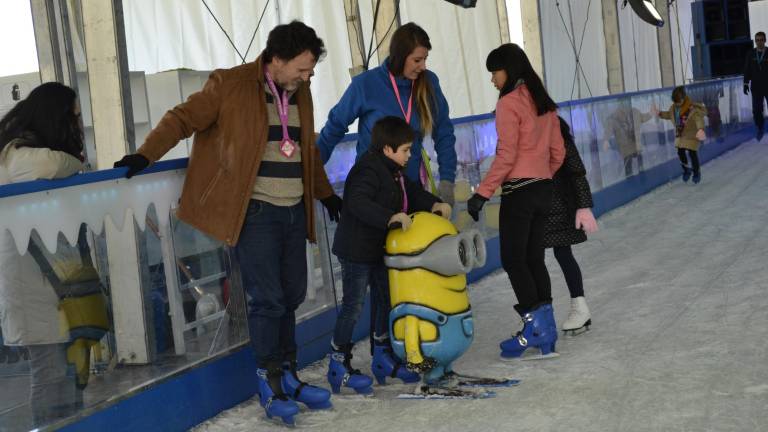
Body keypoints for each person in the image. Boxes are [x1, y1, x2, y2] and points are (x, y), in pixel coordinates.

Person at [113, 21, 340, 424]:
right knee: (267, 299)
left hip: (293, 210)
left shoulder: (299, 93)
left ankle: (288, 374)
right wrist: (145, 155)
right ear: (278, 59)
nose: (308, 78)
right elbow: (182, 118)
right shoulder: (230, 85)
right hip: (255, 212)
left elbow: (307, 149)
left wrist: (325, 194)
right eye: (303, 69)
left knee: (291, 296)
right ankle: (268, 379)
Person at [327, 116, 450, 393]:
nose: (409, 155)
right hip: (357, 251)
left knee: (386, 300)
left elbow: (413, 193)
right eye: (405, 150)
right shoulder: (367, 170)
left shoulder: (394, 172)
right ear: (387, 149)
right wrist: (389, 217)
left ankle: (382, 356)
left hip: (380, 249)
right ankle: (338, 362)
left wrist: (435, 204)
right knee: (353, 306)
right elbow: (357, 202)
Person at [466, 43, 565, 359]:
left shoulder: (509, 104)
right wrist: (540, 176)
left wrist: (482, 193)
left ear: (507, 69)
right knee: (533, 258)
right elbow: (558, 154)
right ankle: (546, 332)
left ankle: (536, 329)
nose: (493, 80)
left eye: (494, 72)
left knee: (513, 259)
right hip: (542, 191)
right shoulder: (544, 104)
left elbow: (506, 155)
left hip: (520, 193)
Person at [0, 82, 85, 427]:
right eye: (73, 118)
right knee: (49, 370)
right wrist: (77, 161)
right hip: (30, 281)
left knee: (64, 369)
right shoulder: (17, 155)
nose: (77, 126)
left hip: (48, 277)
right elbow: (53, 165)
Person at [316, 22, 457, 205]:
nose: (422, 66)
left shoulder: (429, 82)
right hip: (373, 189)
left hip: (411, 187)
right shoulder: (365, 85)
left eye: (425, 59)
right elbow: (334, 128)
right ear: (400, 56)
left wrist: (447, 180)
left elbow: (444, 132)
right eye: (417, 60)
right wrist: (313, 172)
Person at [546, 118, 598, 336]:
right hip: (536, 206)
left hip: (559, 204)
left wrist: (583, 205)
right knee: (532, 260)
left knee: (563, 253)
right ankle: (537, 314)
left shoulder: (554, 128)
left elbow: (576, 171)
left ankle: (580, 306)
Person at [656, 86, 707, 184]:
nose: (677, 104)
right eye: (675, 102)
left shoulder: (692, 108)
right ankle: (686, 169)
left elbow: (698, 119)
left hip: (692, 134)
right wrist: (660, 114)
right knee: (680, 151)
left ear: (683, 99)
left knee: (692, 153)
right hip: (681, 134)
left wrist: (700, 129)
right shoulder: (674, 108)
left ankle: (696, 172)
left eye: (678, 102)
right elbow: (669, 115)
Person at [602, 101, 653, 177]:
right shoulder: (615, 115)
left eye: (627, 102)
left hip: (636, 144)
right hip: (626, 147)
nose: (626, 104)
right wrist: (606, 140)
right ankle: (629, 178)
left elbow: (642, 118)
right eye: (623, 103)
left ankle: (642, 174)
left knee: (640, 161)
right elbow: (609, 127)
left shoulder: (635, 111)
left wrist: (651, 113)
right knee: (628, 164)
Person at [743, 31, 768, 141]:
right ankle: (760, 127)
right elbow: (747, 69)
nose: (759, 42)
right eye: (757, 40)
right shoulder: (751, 54)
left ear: (765, 40)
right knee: (757, 109)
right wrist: (745, 83)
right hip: (756, 86)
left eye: (761, 40)